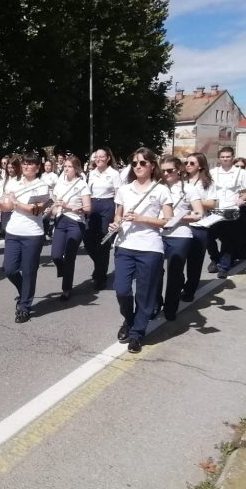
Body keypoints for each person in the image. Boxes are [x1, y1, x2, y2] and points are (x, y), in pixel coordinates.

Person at [108, 147, 173, 353]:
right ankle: (129, 320)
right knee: (122, 290)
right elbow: (118, 215)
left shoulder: (161, 189)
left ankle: (137, 333)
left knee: (144, 295)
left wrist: (142, 218)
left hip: (150, 247)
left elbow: (168, 220)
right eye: (134, 163)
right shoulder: (125, 189)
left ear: (152, 165)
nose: (138, 166)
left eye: (142, 163)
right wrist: (115, 224)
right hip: (125, 245)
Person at [0, 152, 50, 323]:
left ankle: (24, 306)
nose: (26, 166)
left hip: (32, 234)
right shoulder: (14, 182)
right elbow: (8, 206)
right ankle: (24, 291)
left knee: (28, 271)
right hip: (13, 231)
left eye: (30, 164)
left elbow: (37, 210)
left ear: (37, 167)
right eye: (24, 163)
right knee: (9, 269)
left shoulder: (42, 186)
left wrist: (16, 202)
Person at [157, 155, 204, 320]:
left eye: (170, 170)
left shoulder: (189, 188)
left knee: (175, 273)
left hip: (180, 234)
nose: (166, 174)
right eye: (163, 171)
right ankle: (156, 303)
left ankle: (170, 308)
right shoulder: (157, 187)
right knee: (154, 270)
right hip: (158, 233)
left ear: (179, 170)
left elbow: (198, 213)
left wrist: (178, 218)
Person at [208, 147, 246, 279]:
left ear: (232, 157)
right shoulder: (213, 172)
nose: (225, 159)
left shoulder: (241, 173)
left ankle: (223, 266)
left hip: (231, 210)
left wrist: (242, 199)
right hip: (215, 210)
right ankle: (215, 259)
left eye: (228, 156)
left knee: (228, 241)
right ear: (219, 158)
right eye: (222, 157)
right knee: (209, 238)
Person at [49, 155, 91, 301]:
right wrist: (53, 209)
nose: (66, 169)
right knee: (55, 255)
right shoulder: (59, 184)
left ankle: (66, 288)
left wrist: (67, 206)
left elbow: (87, 208)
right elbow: (54, 207)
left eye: (70, 167)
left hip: (75, 222)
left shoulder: (81, 184)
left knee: (70, 257)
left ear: (76, 169)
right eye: (65, 166)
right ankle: (63, 269)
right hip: (60, 221)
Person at [84, 147, 123, 290]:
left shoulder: (114, 174)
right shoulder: (90, 174)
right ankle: (99, 266)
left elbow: (119, 194)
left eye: (102, 157)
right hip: (93, 204)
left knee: (103, 241)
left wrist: (118, 213)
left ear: (108, 159)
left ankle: (101, 276)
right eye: (96, 157)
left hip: (107, 205)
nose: (99, 159)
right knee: (88, 240)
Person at [182, 153, 216, 302]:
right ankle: (179, 285)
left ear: (200, 166)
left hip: (199, 225)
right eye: (186, 162)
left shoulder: (207, 183)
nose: (188, 165)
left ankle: (189, 291)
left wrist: (195, 201)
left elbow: (212, 204)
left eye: (192, 163)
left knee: (194, 263)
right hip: (182, 224)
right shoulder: (181, 181)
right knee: (177, 260)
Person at [40, 159, 59, 239]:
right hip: (42, 197)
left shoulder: (54, 176)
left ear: (51, 167)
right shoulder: (42, 175)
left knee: (47, 215)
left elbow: (57, 187)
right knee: (43, 215)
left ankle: (48, 231)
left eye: (49, 165)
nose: (47, 167)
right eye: (46, 165)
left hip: (51, 197)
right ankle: (44, 232)